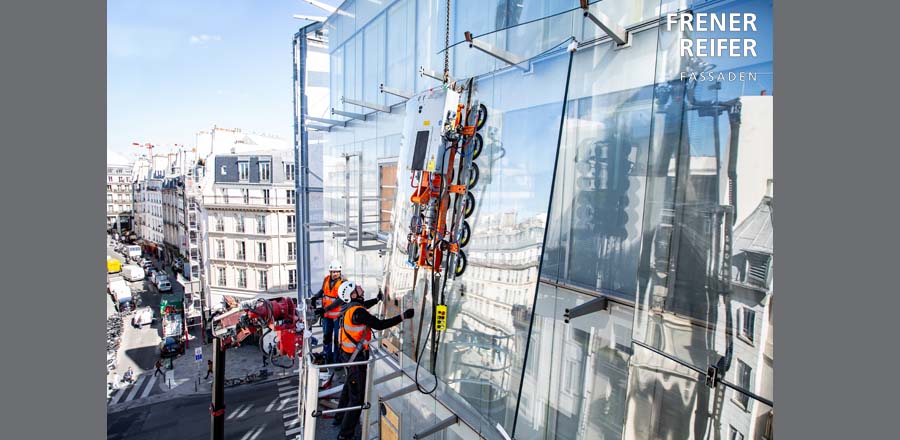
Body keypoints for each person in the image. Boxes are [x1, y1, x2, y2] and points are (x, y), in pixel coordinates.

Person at [332, 281, 413, 440]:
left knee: (349, 388)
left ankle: (339, 417)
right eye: (357, 288)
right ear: (353, 295)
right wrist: (403, 316)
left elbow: (363, 307)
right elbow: (380, 324)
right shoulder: (358, 312)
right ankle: (345, 434)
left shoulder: (349, 309)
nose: (361, 288)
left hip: (348, 357)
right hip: (356, 360)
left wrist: (377, 300)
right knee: (357, 398)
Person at [310, 260, 345, 366]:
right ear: (330, 271)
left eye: (337, 272)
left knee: (337, 339)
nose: (335, 274)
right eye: (333, 271)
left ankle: (336, 361)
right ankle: (327, 356)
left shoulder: (343, 283)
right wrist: (315, 297)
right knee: (326, 337)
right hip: (327, 316)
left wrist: (325, 309)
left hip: (337, 316)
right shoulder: (326, 279)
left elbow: (339, 300)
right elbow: (323, 291)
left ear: (340, 272)